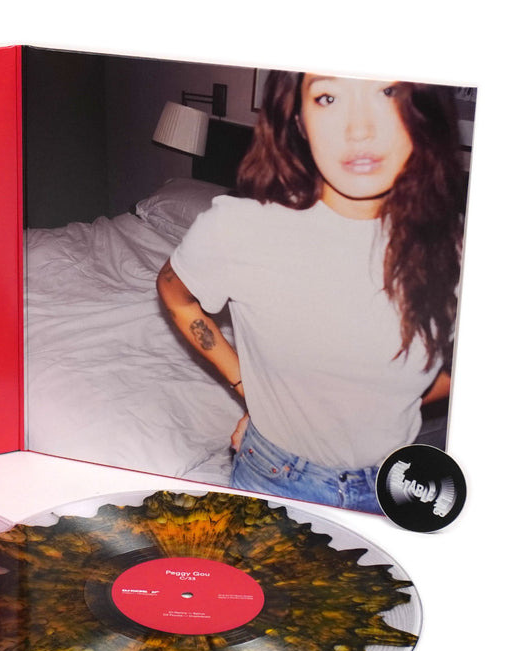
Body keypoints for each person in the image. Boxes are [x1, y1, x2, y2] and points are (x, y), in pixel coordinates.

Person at [156, 71, 465, 513]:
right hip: (274, 479)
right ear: (299, 121)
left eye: (387, 91)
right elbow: (174, 293)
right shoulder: (240, 227)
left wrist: (386, 402)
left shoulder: (456, 246)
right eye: (327, 98)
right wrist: (247, 384)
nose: (359, 129)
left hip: (396, 483)